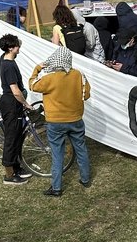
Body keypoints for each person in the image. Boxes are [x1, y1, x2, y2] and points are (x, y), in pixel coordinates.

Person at [29, 47, 92, 197]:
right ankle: (85, 179)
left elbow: (32, 85)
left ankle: (56, 188)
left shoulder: (49, 78)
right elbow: (87, 95)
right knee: (81, 149)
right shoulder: (79, 74)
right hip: (76, 120)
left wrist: (37, 68)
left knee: (57, 154)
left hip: (55, 122)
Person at [0, 34, 34, 185]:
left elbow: (17, 43)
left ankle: (16, 167)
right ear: (11, 48)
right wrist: (26, 103)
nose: (19, 46)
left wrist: (13, 40)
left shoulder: (4, 57)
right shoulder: (9, 66)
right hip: (11, 104)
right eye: (16, 45)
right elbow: (15, 91)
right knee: (11, 140)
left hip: (12, 103)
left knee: (18, 137)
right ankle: (9, 175)